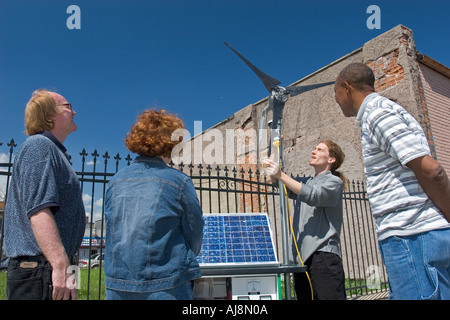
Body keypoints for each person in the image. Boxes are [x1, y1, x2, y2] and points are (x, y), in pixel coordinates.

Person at [334, 62, 450, 300]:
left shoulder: (377, 113)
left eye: (335, 92)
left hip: (412, 235)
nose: (335, 100)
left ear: (346, 87)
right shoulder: (379, 113)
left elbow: (432, 170)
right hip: (412, 237)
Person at [104, 109, 204, 300]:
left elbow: (112, 231)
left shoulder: (115, 182)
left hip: (118, 284)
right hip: (167, 283)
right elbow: (195, 230)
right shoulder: (179, 181)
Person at [4, 89, 86, 300]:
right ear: (49, 115)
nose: (74, 111)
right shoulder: (39, 146)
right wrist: (60, 266)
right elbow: (39, 211)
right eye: (68, 107)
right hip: (41, 270)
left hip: (50, 267)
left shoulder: (54, 151)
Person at [263, 140, 347, 300]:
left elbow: (314, 195)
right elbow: (284, 186)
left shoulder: (334, 182)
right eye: (314, 148)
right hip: (302, 259)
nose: (314, 151)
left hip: (323, 257)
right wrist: (274, 173)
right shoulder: (307, 181)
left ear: (331, 159)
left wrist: (280, 174)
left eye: (320, 149)